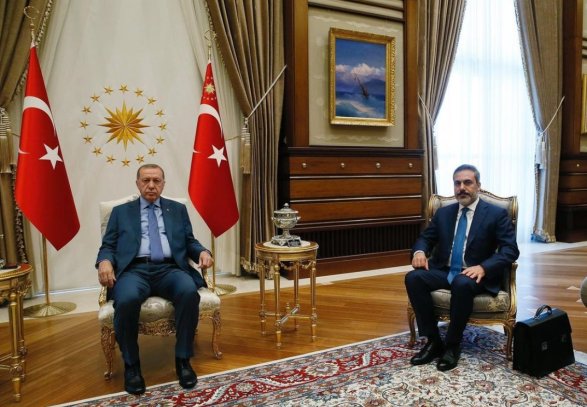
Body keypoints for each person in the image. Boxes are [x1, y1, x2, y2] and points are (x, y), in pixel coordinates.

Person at [96, 163, 213, 395]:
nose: (151, 185)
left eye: (156, 181)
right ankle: (132, 366)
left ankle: (183, 360)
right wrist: (105, 261)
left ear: (163, 184)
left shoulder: (177, 209)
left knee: (188, 292)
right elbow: (107, 246)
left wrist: (202, 251)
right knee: (127, 299)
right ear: (137, 183)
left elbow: (189, 240)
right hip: (134, 270)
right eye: (146, 180)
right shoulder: (120, 212)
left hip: (169, 269)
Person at [405, 164, 519, 371]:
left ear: (478, 185)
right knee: (413, 278)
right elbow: (425, 238)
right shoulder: (444, 213)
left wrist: (484, 267)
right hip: (445, 270)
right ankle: (433, 341)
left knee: (462, 282)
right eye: (457, 183)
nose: (462, 188)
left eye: (467, 182)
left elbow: (510, 250)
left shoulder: (496, 214)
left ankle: (452, 345)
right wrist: (419, 252)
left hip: (476, 274)